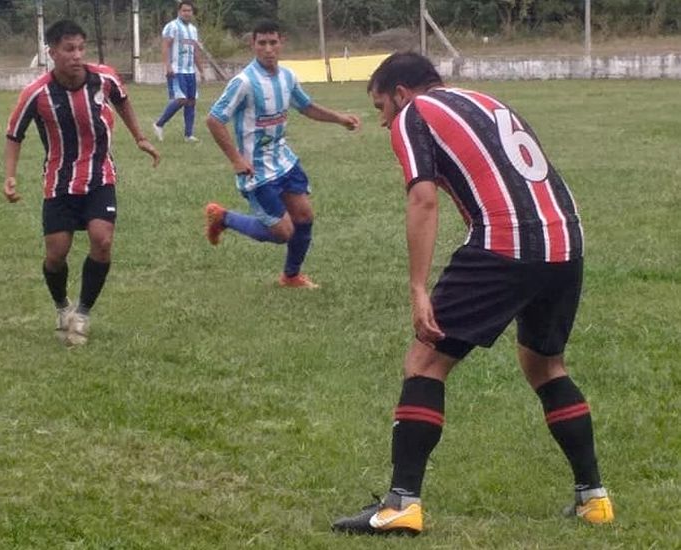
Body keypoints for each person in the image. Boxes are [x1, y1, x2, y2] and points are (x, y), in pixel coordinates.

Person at [331, 52, 613, 536]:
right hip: (567, 241)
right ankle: (594, 499)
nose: (383, 121)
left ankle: (402, 503)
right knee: (544, 365)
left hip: (507, 241)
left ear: (401, 93)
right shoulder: (486, 100)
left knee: (424, 362)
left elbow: (422, 199)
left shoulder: (415, 113)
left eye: (381, 107)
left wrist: (419, 288)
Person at [3, 19, 159, 346]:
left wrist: (140, 137)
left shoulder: (103, 78)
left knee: (102, 241)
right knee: (56, 253)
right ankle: (62, 307)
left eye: (80, 48)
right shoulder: (36, 93)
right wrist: (10, 176)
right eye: (68, 49)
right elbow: (14, 134)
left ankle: (83, 313)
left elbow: (123, 100)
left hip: (100, 176)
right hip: (59, 183)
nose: (76, 55)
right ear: (52, 52)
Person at [203, 19, 360, 289]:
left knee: (304, 218)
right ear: (252, 45)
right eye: (261, 43)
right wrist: (236, 159)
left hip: (285, 162)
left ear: (281, 43)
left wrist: (339, 118)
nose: (268, 49)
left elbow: (306, 106)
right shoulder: (244, 82)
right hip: (256, 170)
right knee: (282, 233)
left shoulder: (287, 77)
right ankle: (223, 217)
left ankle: (291, 276)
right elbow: (214, 119)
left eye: (272, 42)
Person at [152, 0, 204, 142]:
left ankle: (188, 134)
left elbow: (195, 51)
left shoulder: (193, 29)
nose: (187, 13)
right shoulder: (172, 27)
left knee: (191, 101)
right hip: (176, 70)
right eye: (184, 10)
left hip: (190, 71)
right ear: (179, 12)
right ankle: (159, 124)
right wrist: (167, 66)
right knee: (181, 99)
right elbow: (165, 46)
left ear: (192, 13)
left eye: (189, 11)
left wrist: (201, 69)